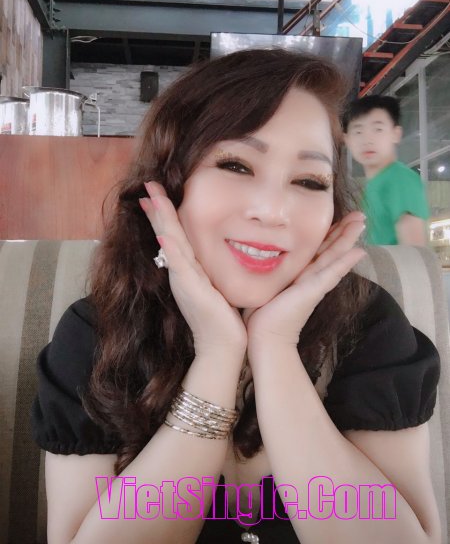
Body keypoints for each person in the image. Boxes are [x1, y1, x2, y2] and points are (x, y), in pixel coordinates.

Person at [31, 49, 441, 544]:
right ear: (169, 183)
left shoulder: (366, 325)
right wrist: (218, 355)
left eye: (309, 181)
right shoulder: (98, 335)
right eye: (236, 165)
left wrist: (275, 345)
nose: (273, 210)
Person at [343, 95, 430, 246]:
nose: (367, 140)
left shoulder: (401, 180)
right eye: (358, 131)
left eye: (378, 129)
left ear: (396, 134)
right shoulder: (372, 185)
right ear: (347, 140)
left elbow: (414, 252)